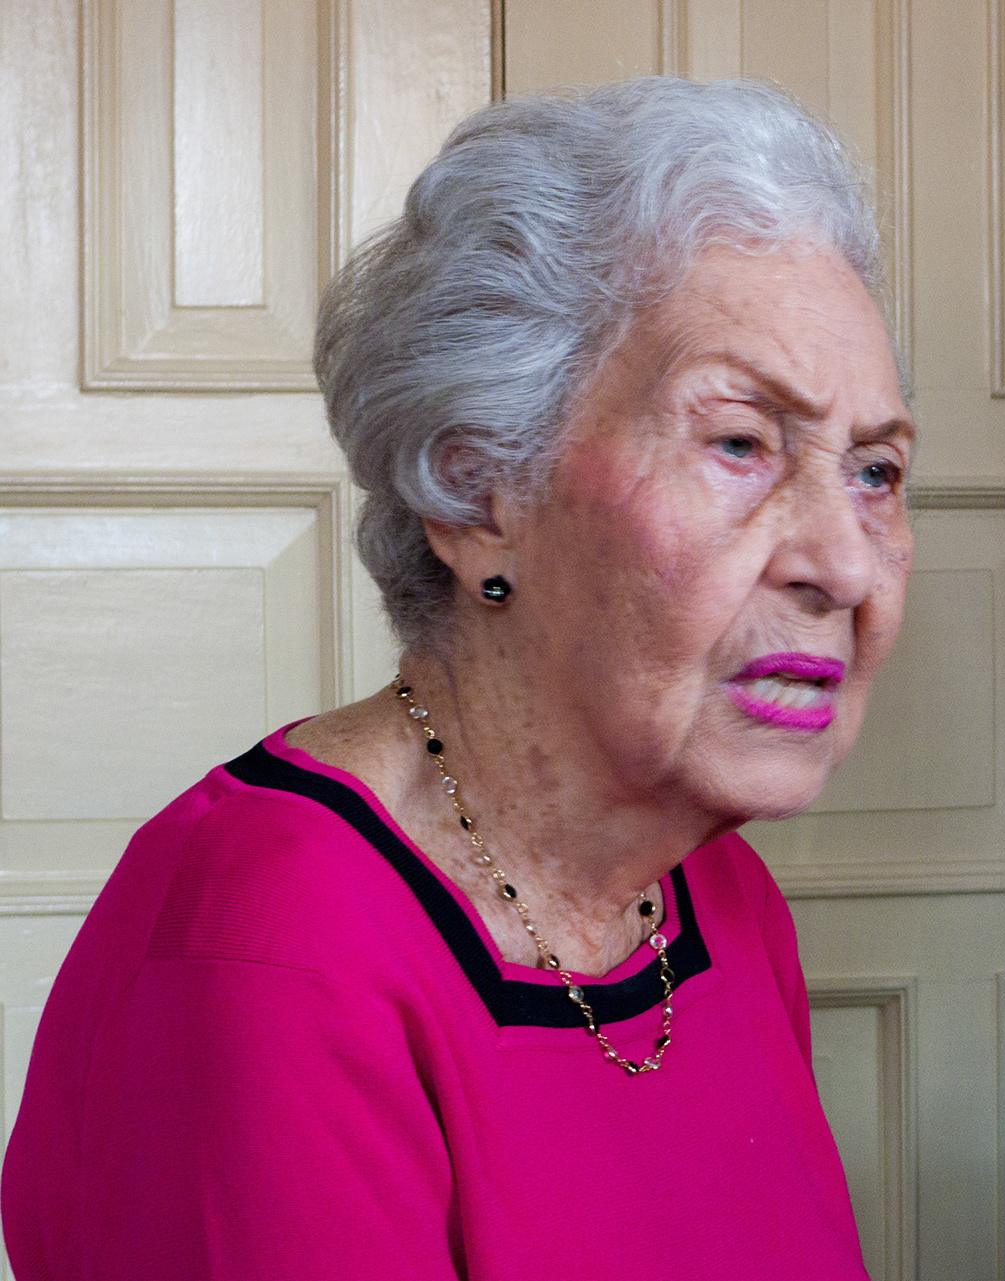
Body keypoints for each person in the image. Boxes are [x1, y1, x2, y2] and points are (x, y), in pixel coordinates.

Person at [1, 78, 910, 1280]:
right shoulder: (268, 954)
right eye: (740, 443)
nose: (846, 564)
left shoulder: (716, 900)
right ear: (481, 492)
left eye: (875, 471)